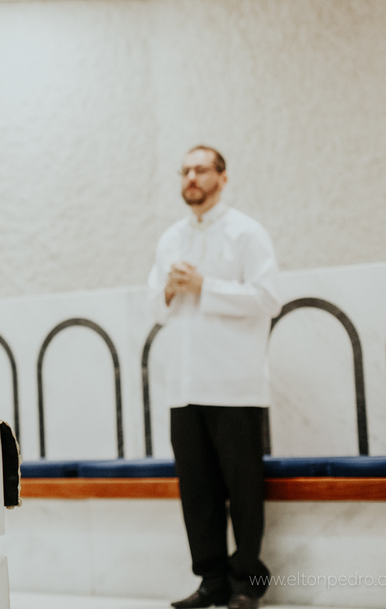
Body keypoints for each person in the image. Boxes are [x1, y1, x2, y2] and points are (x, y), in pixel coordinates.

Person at [147, 146, 281, 609]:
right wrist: (169, 288)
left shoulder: (248, 233)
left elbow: (268, 298)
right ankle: (212, 581)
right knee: (197, 491)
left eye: (201, 170)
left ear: (222, 178)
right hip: (184, 387)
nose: (191, 177)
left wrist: (206, 285)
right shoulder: (170, 238)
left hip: (235, 385)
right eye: (185, 170)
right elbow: (154, 308)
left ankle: (247, 584)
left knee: (242, 491)